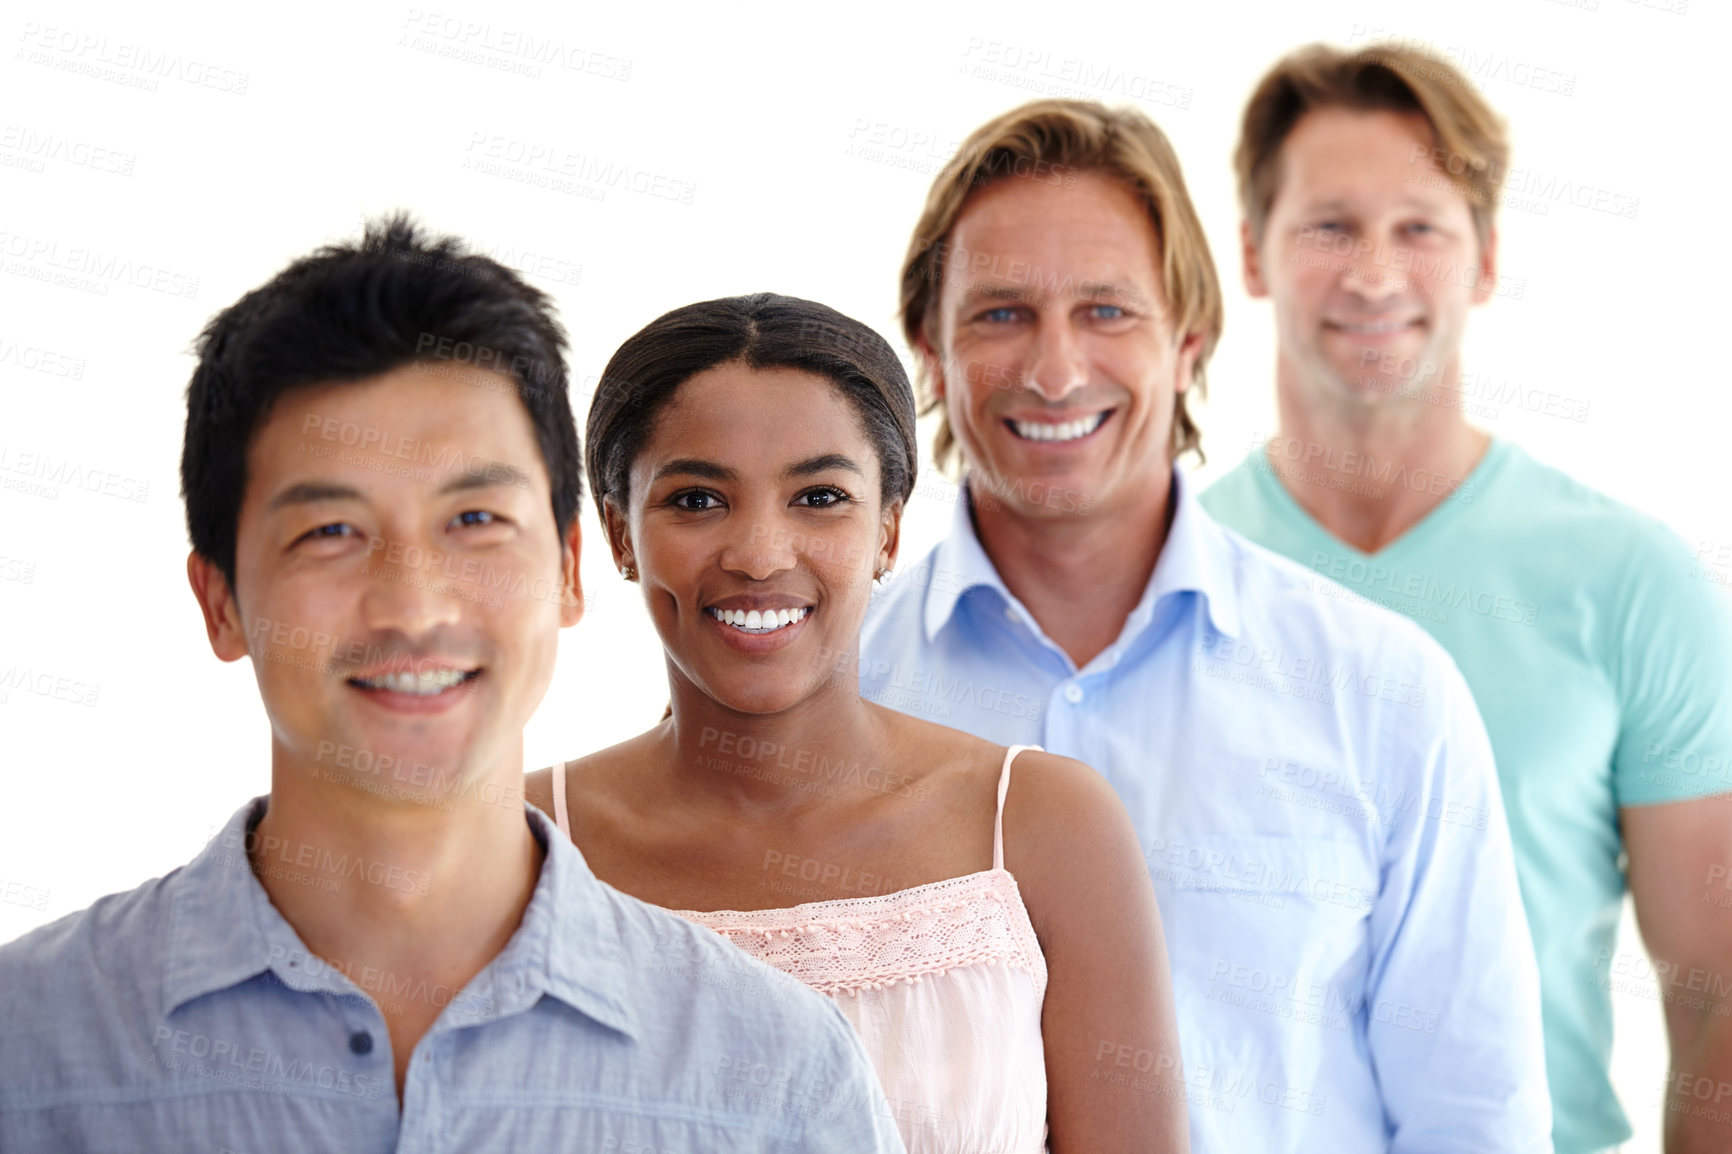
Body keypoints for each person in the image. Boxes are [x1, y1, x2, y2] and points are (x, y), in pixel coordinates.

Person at [0, 218, 903, 1153]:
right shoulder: (28, 1047)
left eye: (474, 518)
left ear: (568, 570)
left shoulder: (780, 1076)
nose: (413, 607)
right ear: (219, 600)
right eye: (329, 533)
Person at [858, 98, 1552, 1152]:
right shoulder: (829, 689)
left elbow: (1473, 1119)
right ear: (929, 342)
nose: (1054, 369)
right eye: (1001, 313)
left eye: (1106, 311)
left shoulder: (1384, 689)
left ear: (1187, 338)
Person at [1200, 42, 1732, 1154]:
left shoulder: (1633, 580)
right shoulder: (1179, 575)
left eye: (1419, 228)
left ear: (1486, 258)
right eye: (1328, 226)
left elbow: (1715, 997)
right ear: (1250, 253)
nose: (1374, 272)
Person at [524, 291, 1188, 1154]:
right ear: (619, 533)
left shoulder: (1043, 827)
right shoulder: (521, 849)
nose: (760, 554)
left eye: (820, 496)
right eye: (695, 500)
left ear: (888, 530)